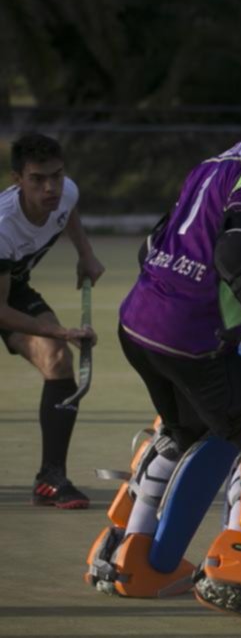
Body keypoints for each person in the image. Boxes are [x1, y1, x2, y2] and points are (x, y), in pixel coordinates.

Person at [83, 63, 241, 624]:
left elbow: (160, 236)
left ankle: (134, 555)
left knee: (191, 431)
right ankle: (239, 560)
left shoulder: (220, 161)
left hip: (139, 324)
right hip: (192, 336)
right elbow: (235, 254)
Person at [0, 133, 102, 509]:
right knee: (56, 342)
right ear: (17, 180)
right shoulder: (3, 227)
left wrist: (85, 254)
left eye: (56, 176)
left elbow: (68, 212)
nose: (50, 188)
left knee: (58, 360)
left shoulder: (65, 192)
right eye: (37, 179)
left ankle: (51, 477)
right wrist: (58, 329)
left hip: (11, 284)